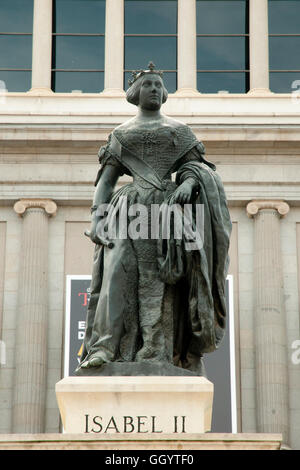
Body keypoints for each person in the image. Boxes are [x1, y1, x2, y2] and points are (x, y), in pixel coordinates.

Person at [76, 63, 231, 376]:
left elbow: (198, 170)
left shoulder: (179, 132)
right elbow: (106, 182)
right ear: (135, 92)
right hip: (128, 210)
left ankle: (157, 352)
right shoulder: (120, 135)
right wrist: (97, 220)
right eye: (148, 84)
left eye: (159, 85)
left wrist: (188, 183)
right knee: (117, 275)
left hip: (167, 212)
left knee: (163, 280)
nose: (155, 90)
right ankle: (105, 350)